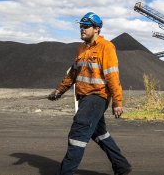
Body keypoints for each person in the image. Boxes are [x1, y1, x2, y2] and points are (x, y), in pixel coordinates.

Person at [48, 12, 132, 175]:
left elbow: (112, 76)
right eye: (81, 26)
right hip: (85, 98)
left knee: (77, 134)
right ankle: (121, 166)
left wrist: (117, 101)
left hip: (97, 97)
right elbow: (73, 73)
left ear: (97, 29)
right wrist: (60, 90)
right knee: (99, 133)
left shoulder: (106, 47)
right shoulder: (82, 48)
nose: (82, 29)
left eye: (86, 27)